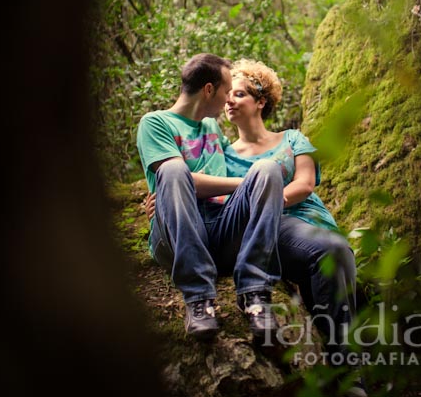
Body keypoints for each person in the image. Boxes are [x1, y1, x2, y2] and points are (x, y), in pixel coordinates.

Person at [136, 53, 285, 341]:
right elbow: (181, 180)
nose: (229, 99)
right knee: (173, 168)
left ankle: (254, 294)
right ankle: (199, 299)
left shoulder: (212, 127)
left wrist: (263, 176)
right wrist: (244, 183)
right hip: (177, 237)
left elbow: (241, 164)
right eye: (227, 91)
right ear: (208, 90)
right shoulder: (155, 123)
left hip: (220, 231)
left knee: (268, 169)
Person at [224, 59, 358, 364]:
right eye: (227, 95)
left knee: (335, 253)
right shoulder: (223, 154)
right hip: (265, 229)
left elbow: (305, 184)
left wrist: (268, 197)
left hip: (304, 220)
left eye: (239, 94)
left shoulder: (292, 139)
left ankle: (346, 371)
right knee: (330, 255)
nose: (229, 100)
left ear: (261, 102)